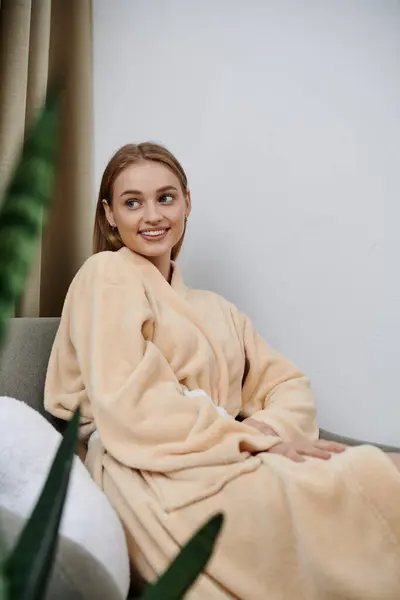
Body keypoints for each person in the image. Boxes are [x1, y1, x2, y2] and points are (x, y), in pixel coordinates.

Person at [45, 143, 400, 600]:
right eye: (132, 202)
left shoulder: (217, 310)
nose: (152, 215)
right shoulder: (106, 274)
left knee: (377, 471)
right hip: (151, 478)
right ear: (110, 214)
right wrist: (251, 441)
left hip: (228, 457)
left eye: (165, 198)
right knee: (376, 474)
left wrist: (263, 429)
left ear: (187, 203)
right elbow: (132, 406)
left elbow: (288, 385)